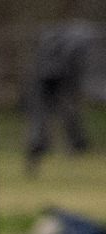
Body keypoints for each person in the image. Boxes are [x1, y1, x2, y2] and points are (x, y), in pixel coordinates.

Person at [24, 19, 94, 173]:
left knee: (46, 117)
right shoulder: (77, 44)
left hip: (46, 81)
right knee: (58, 114)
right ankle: (74, 144)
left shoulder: (55, 39)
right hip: (50, 82)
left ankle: (41, 148)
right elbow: (74, 70)